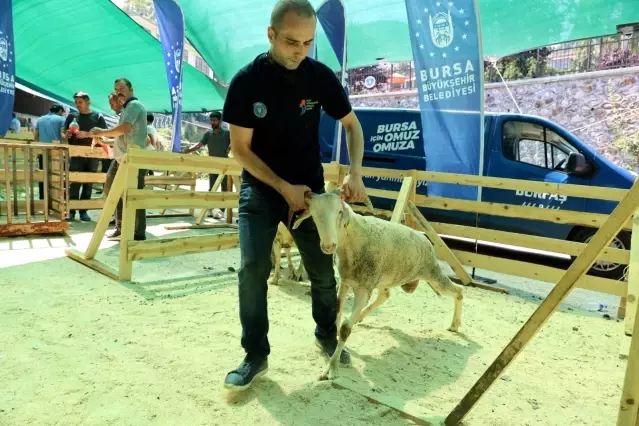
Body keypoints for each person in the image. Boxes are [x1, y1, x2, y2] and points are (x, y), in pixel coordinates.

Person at [221, 0, 367, 391]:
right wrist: (283, 187)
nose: (299, 50)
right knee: (252, 268)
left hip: (311, 192)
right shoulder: (246, 82)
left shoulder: (319, 77)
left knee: (322, 271)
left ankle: (326, 333)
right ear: (271, 35)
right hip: (262, 188)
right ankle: (255, 354)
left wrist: (355, 172)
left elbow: (352, 126)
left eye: (307, 42)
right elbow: (240, 150)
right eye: (290, 42)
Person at [90, 78, 148, 241]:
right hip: (122, 158)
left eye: (122, 88)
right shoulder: (126, 109)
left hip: (133, 159)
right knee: (112, 191)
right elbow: (122, 136)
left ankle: (137, 232)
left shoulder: (134, 106)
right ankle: (122, 227)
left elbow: (123, 130)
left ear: (131, 89)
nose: (119, 92)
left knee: (133, 195)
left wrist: (102, 132)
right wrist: (105, 139)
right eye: (116, 89)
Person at [63, 91, 107, 222]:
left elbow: (104, 135)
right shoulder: (72, 116)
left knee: (89, 182)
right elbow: (64, 133)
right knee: (75, 182)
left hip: (93, 154)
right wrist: (67, 135)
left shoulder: (98, 117)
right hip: (76, 154)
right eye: (76, 102)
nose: (78, 105)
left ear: (88, 102)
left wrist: (88, 134)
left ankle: (84, 211)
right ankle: (71, 210)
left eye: (80, 102)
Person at [183, 111, 231, 219]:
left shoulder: (227, 133)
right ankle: (211, 209)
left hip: (224, 166)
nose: (212, 122)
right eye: (211, 120)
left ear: (220, 121)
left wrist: (230, 147)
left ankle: (222, 210)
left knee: (224, 189)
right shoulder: (208, 134)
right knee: (212, 188)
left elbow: (235, 142)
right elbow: (199, 145)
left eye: (214, 120)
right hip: (212, 165)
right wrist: (188, 150)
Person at [33, 104, 66, 199]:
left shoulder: (40, 119)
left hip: (43, 151)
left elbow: (36, 136)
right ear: (60, 111)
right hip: (57, 152)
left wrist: (37, 151)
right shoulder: (61, 120)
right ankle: (58, 198)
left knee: (43, 174)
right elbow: (63, 135)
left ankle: (43, 197)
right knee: (58, 175)